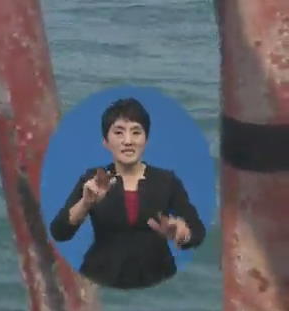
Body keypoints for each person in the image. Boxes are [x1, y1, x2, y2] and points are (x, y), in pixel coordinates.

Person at [48, 97, 206, 290]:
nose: (128, 141)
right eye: (119, 132)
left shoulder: (167, 181)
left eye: (136, 132)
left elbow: (197, 231)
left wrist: (182, 234)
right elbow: (59, 232)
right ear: (106, 141)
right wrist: (86, 203)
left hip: (158, 280)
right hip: (101, 278)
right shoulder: (93, 180)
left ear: (146, 140)